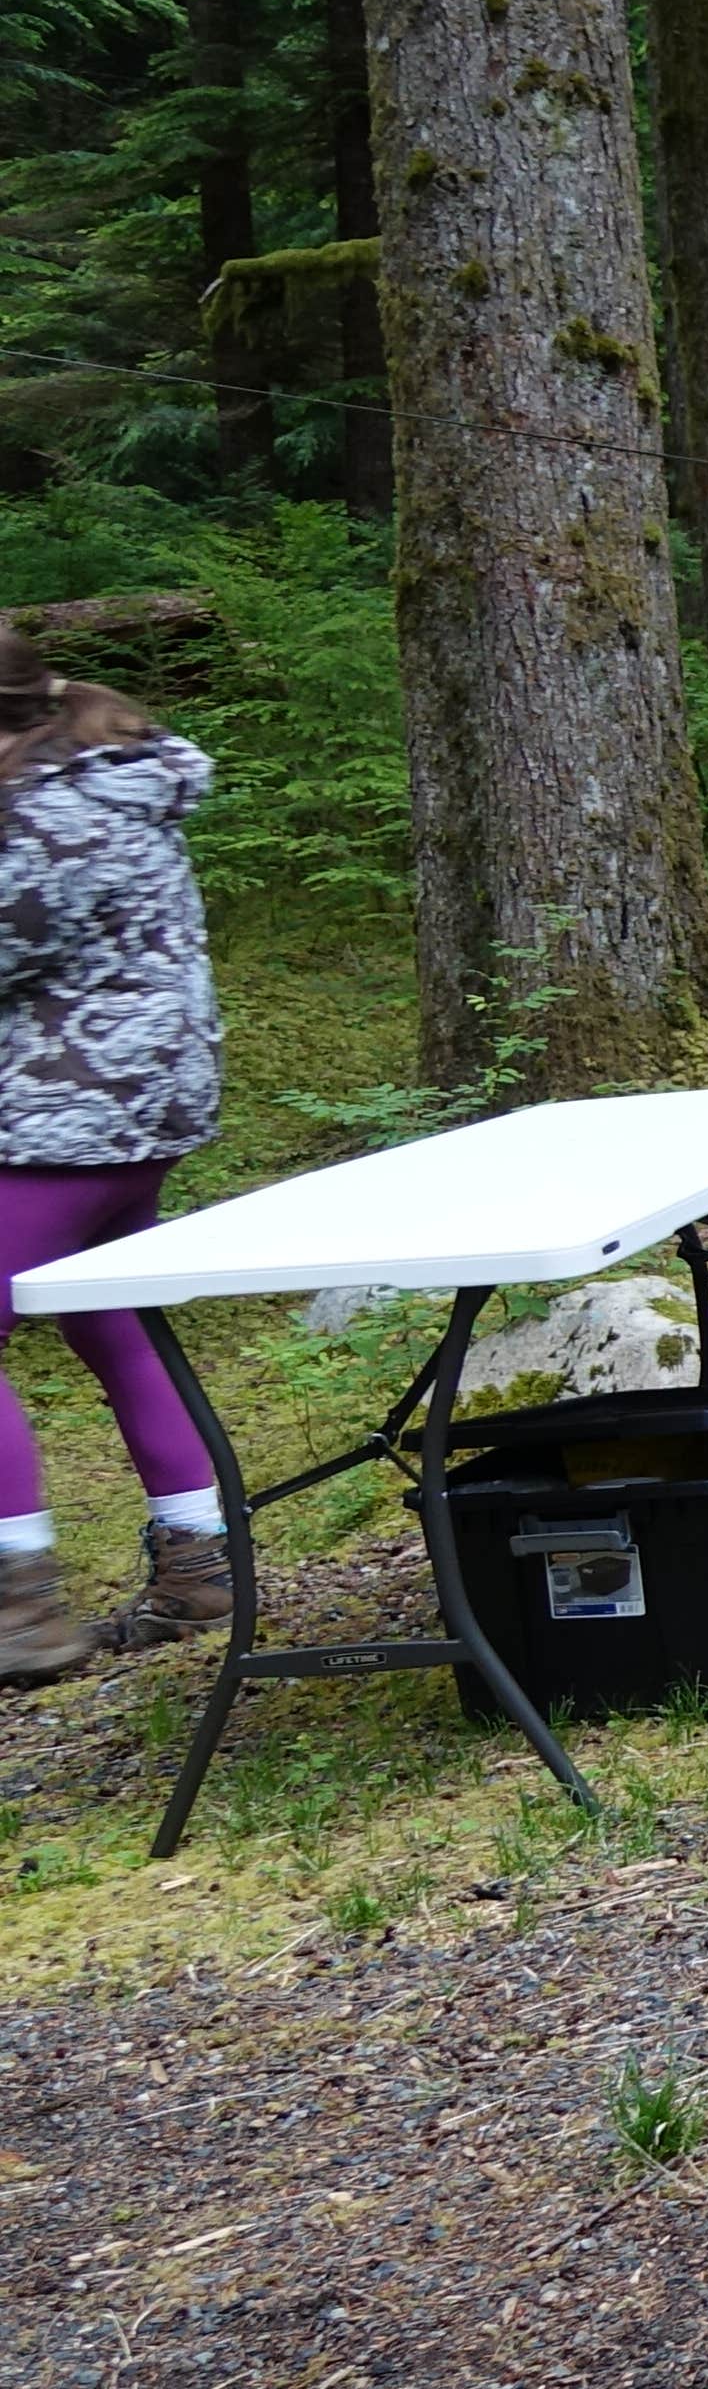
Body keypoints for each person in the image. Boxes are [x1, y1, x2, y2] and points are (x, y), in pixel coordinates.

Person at [0, 627, 227, 1679]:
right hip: (138, 1104)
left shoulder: (46, 814)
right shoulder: (103, 780)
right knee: (114, 1321)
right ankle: (200, 1566)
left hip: (63, 1115)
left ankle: (20, 1612)